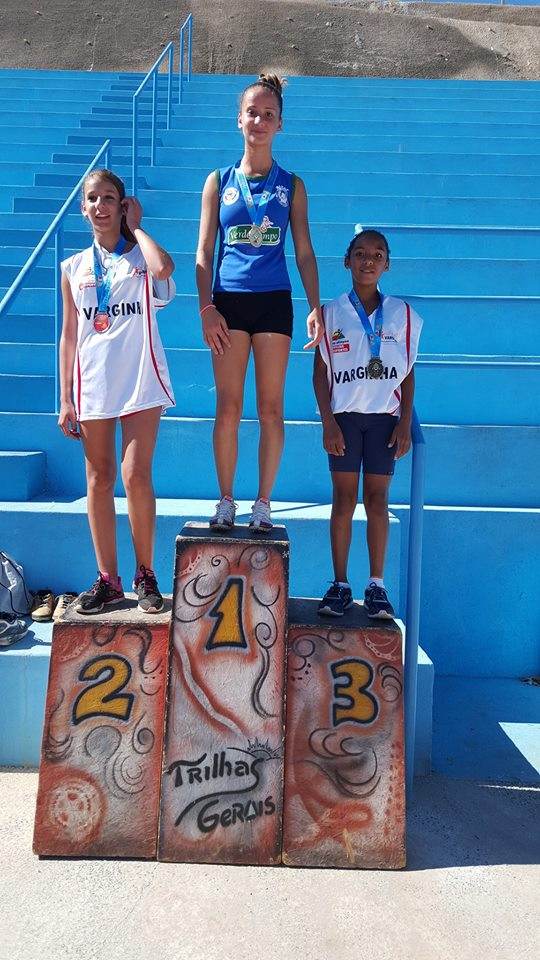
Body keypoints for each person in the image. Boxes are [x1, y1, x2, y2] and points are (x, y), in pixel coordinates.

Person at [196, 73, 323, 533]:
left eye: (269, 114)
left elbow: (304, 251)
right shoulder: (218, 181)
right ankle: (226, 500)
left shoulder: (292, 184)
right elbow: (203, 252)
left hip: (274, 302)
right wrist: (206, 308)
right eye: (252, 112)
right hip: (228, 303)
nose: (260, 120)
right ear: (239, 119)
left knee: (271, 408)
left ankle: (263, 503)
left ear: (280, 124)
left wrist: (315, 305)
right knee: (228, 408)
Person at [58, 169, 176, 614]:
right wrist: (66, 397)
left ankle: (146, 573)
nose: (101, 205)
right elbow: (69, 335)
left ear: (123, 206)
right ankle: (108, 579)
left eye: (110, 198)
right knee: (98, 478)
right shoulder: (73, 268)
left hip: (141, 380)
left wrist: (137, 226)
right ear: (83, 207)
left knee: (135, 475)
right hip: (94, 383)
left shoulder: (142, 257)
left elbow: (164, 269)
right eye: (93, 198)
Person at [312, 228, 422, 618]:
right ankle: (340, 584)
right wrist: (328, 422)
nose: (368, 261)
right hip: (344, 419)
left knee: (377, 501)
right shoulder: (329, 313)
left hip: (383, 422)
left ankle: (376, 586)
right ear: (347, 260)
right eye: (360, 253)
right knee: (343, 500)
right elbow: (319, 373)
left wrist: (404, 422)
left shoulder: (402, 314)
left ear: (387, 264)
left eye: (377, 255)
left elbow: (408, 373)